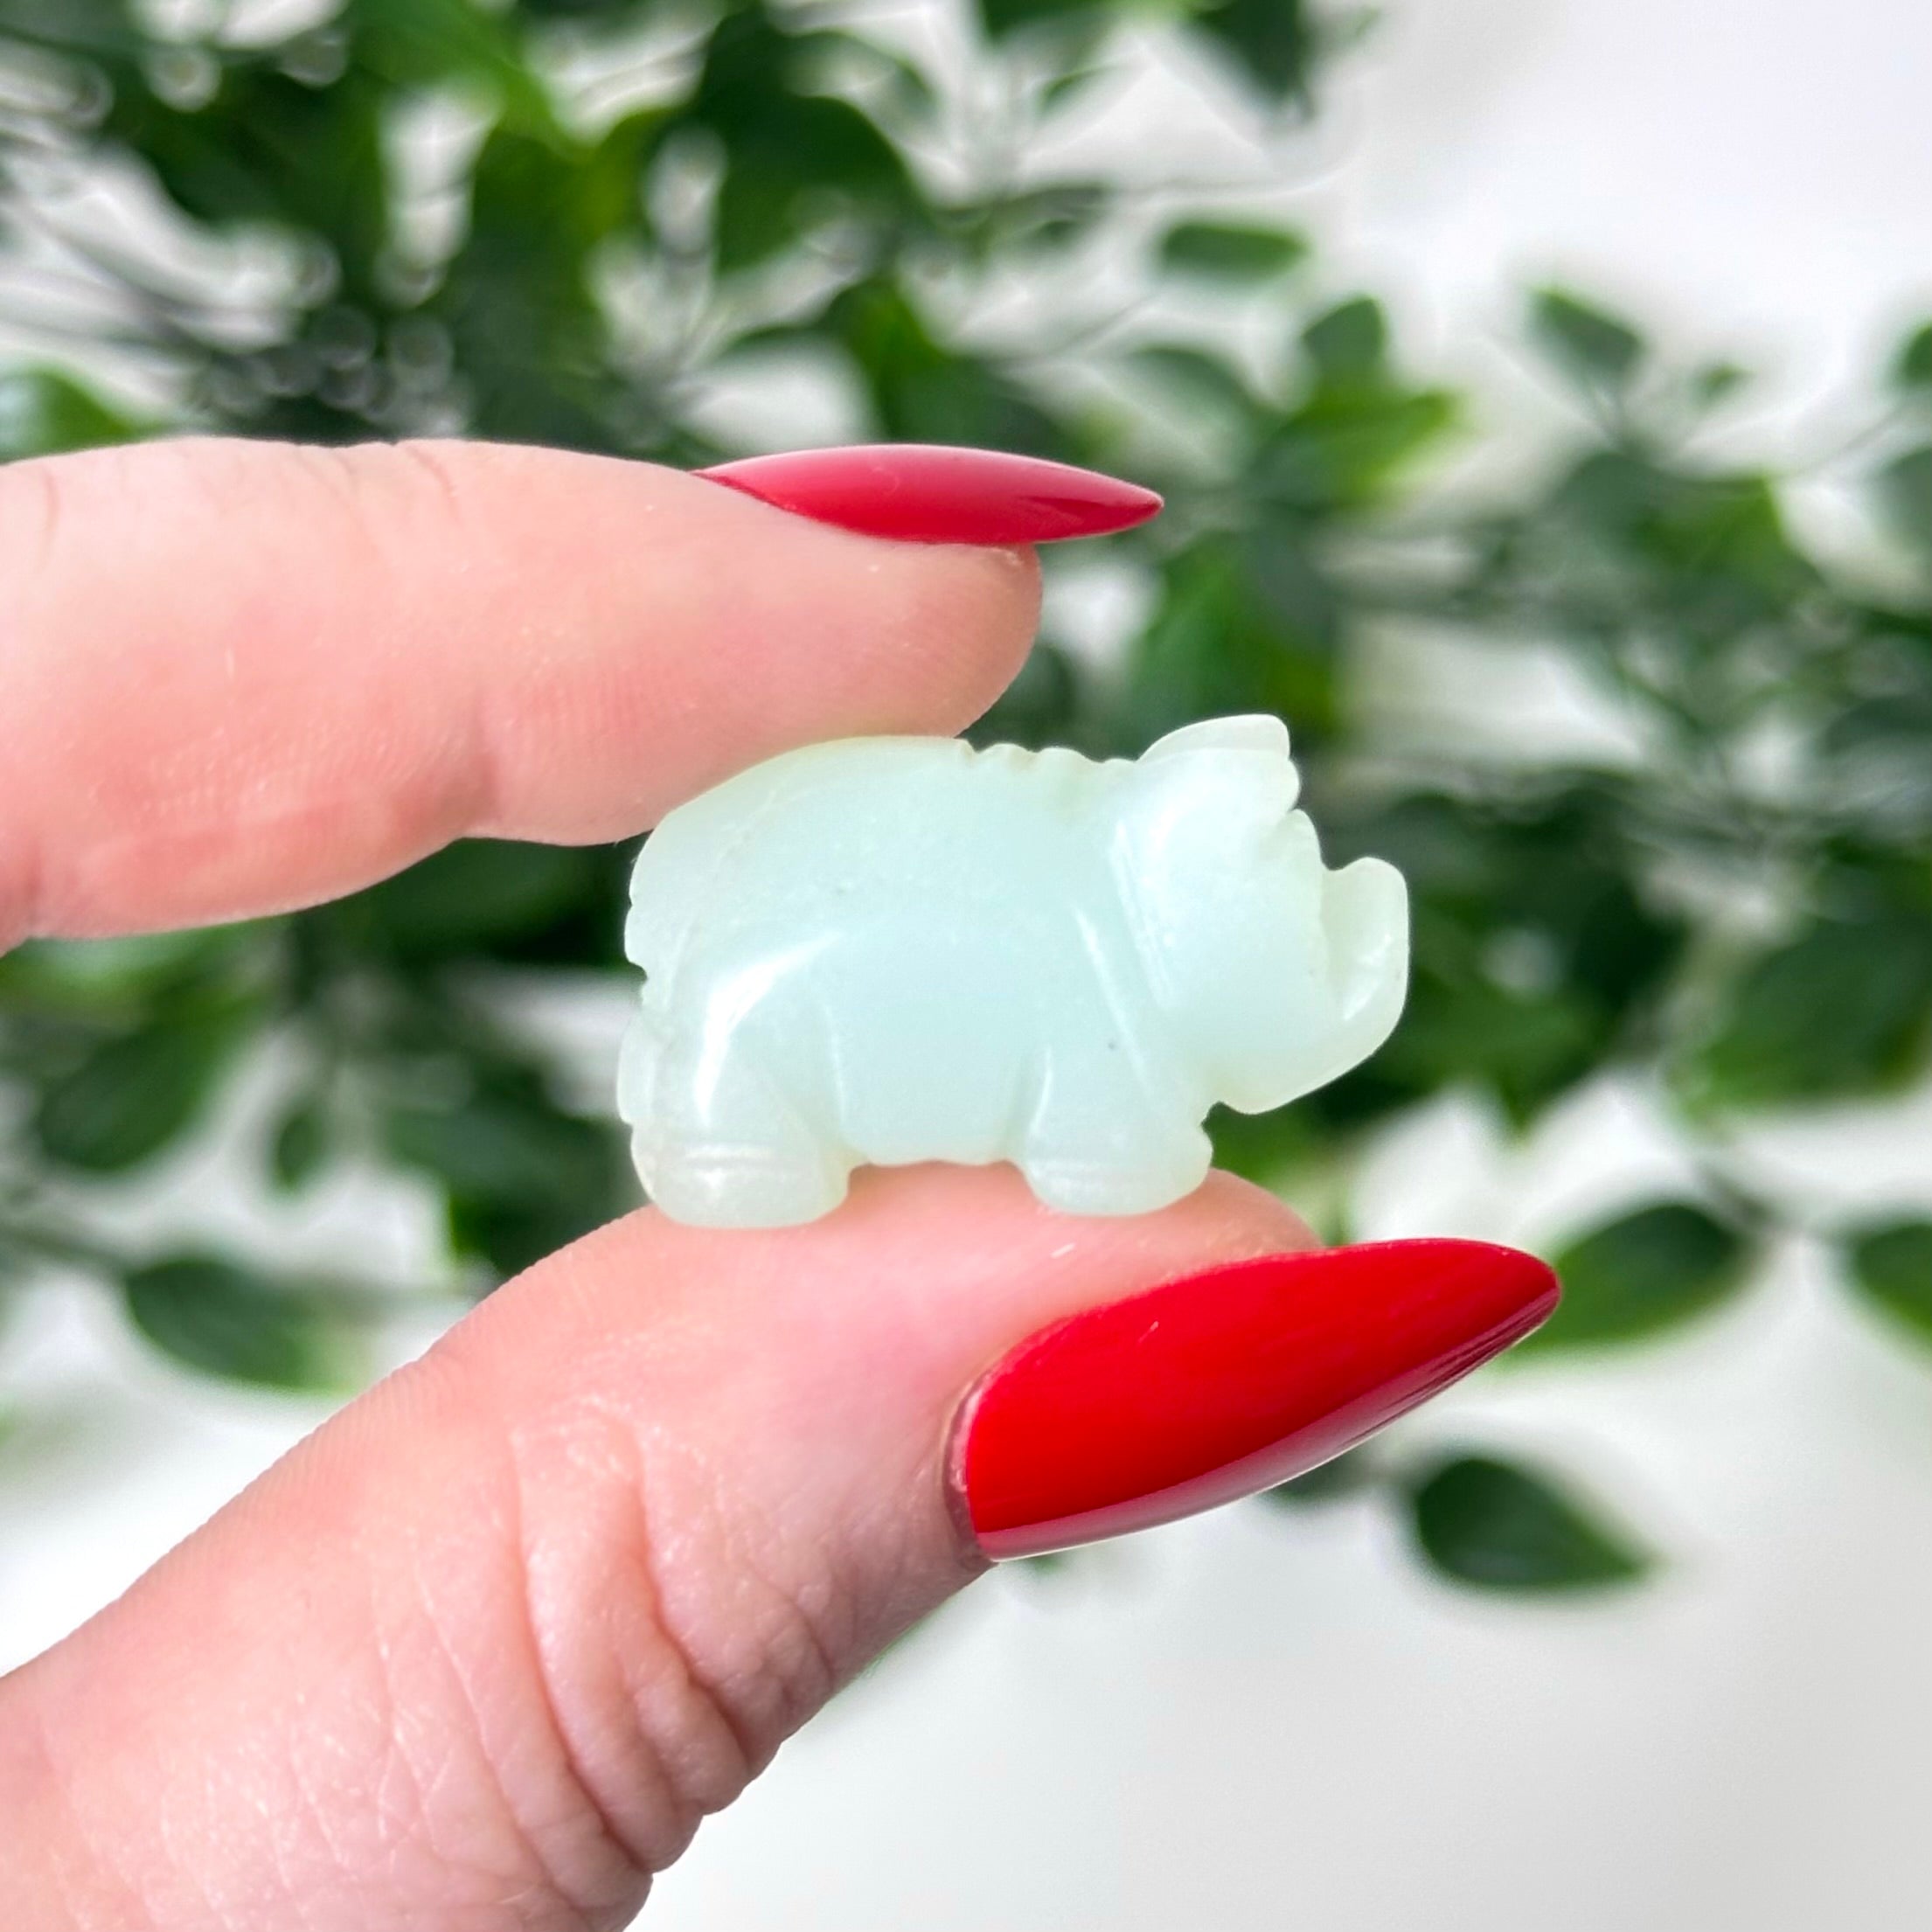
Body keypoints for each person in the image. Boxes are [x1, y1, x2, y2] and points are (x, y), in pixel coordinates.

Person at [0, 438, 1554, 1929]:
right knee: (758, 1063)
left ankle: (736, 1110)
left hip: (853, 954)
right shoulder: (1099, 975)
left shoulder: (1097, 928)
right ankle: (732, 1118)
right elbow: (1109, 1136)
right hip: (798, 991)